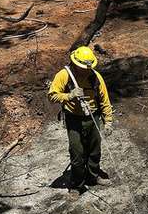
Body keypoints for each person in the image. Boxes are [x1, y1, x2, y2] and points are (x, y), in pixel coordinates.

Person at [48, 46, 113, 193]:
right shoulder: (64, 75)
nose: (86, 70)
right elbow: (52, 95)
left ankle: (93, 176)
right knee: (77, 153)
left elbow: (104, 101)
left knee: (95, 150)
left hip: (93, 117)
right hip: (74, 119)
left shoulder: (95, 77)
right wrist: (69, 96)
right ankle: (77, 184)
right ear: (75, 64)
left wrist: (108, 121)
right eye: (83, 67)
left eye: (88, 67)